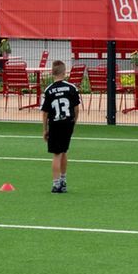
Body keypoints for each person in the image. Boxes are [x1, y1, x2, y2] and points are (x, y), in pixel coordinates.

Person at [40, 60, 80, 193]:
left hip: (55, 124)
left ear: (52, 73)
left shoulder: (49, 90)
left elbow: (45, 113)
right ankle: (63, 180)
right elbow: (76, 109)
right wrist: (74, 123)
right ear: (64, 72)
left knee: (56, 154)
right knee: (64, 151)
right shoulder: (72, 88)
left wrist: (45, 129)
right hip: (67, 123)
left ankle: (56, 184)